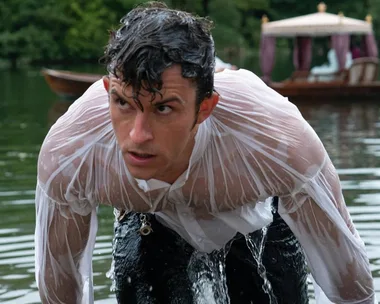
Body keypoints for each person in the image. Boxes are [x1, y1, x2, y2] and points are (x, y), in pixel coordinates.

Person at [34, 2, 375, 304]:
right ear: (108, 90)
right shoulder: (71, 152)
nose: (137, 136)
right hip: (148, 224)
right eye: (123, 102)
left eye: (164, 108)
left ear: (205, 108)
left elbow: (351, 287)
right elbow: (61, 295)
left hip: (259, 221)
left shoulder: (278, 142)